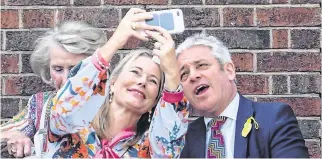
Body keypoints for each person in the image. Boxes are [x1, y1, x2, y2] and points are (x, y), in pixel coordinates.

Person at [45, 8, 189, 158]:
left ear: (154, 103)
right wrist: (115, 42)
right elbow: (63, 111)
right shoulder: (73, 129)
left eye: (153, 80)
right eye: (135, 72)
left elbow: (168, 148)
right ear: (112, 83)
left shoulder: (148, 150)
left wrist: (172, 74)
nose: (142, 81)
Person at [176, 34, 309, 158]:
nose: (193, 76)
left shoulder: (274, 119)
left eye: (202, 65)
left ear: (229, 71)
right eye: (184, 74)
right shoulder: (183, 139)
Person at [0, 21, 107, 158]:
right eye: (58, 69)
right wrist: (12, 134)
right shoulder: (40, 104)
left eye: (76, 69)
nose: (67, 78)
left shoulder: (111, 103)